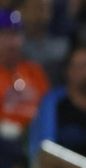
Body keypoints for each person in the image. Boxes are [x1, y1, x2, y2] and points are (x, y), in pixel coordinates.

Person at [0, 9, 49, 141]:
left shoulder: (35, 71)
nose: (12, 42)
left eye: (16, 34)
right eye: (5, 35)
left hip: (34, 140)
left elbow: (46, 111)